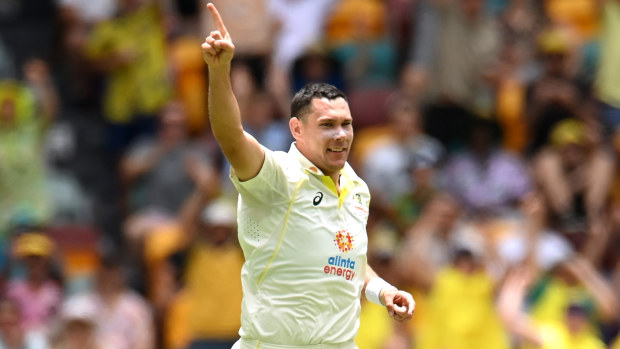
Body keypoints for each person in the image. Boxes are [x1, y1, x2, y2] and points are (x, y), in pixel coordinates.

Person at [201, 3, 415, 348]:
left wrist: (382, 291)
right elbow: (232, 136)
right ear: (296, 130)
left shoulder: (357, 188)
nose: (341, 134)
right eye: (327, 125)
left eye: (346, 124)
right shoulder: (277, 176)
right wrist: (219, 71)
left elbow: (350, 261)